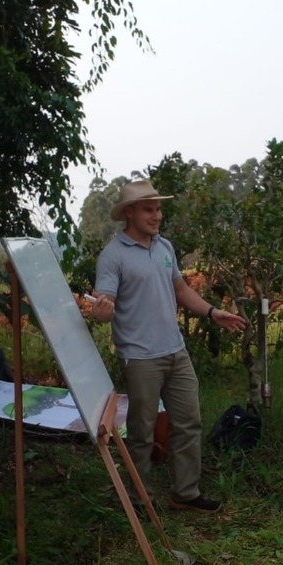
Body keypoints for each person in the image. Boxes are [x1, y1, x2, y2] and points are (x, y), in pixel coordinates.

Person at [91, 180, 247, 513]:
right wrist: (102, 312)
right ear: (129, 213)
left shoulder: (164, 248)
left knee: (189, 422)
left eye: (159, 209)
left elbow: (179, 288)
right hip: (140, 357)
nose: (157, 215)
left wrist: (211, 311)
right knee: (141, 433)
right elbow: (105, 304)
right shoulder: (113, 256)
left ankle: (185, 493)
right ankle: (137, 501)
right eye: (149, 209)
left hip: (175, 351)